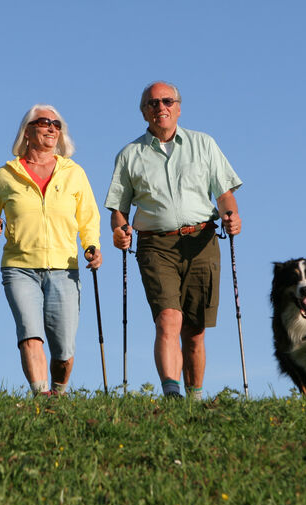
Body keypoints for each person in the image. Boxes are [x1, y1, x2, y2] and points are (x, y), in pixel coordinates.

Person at [105, 81, 242, 399]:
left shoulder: (203, 144)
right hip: (155, 246)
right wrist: (120, 232)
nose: (160, 108)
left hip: (201, 241)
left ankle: (193, 398)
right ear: (143, 112)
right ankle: (172, 395)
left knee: (194, 331)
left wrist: (231, 216)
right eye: (152, 103)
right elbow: (119, 209)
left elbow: (224, 195)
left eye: (167, 101)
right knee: (168, 319)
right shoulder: (129, 155)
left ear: (178, 107)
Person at [0, 104, 102, 396]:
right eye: (44, 122)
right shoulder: (6, 174)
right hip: (19, 268)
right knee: (30, 334)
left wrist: (92, 247)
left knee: (64, 349)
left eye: (57, 124)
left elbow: (89, 218)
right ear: (27, 131)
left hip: (64, 268)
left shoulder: (74, 173)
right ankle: (41, 396)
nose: (51, 128)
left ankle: (58, 393)